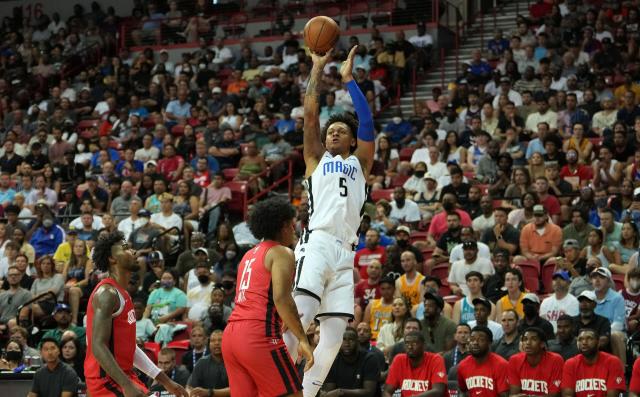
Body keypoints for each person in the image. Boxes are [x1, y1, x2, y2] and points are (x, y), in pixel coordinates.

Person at [284, 45, 375, 397]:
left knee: (334, 335)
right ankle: (275, 388)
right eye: (331, 131)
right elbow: (310, 116)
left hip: (345, 251)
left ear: (352, 140)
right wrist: (317, 69)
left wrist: (349, 81)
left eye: (341, 131)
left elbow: (366, 122)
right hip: (317, 243)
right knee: (300, 318)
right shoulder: (315, 161)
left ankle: (305, 394)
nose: (333, 133)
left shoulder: (361, 164)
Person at [221, 198, 313, 397]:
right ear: (283, 227)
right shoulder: (281, 252)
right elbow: (281, 298)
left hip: (231, 337)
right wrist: (303, 339)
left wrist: (282, 317)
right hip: (257, 335)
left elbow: (258, 295)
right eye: (291, 225)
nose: (294, 230)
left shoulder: (248, 255)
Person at [84, 231, 188, 397]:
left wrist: (165, 381)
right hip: (105, 381)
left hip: (124, 376)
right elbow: (97, 346)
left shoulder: (124, 294)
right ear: (112, 258)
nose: (133, 251)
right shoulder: (107, 293)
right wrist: (126, 385)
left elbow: (130, 348)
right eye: (125, 248)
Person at [560, 328, 625, 397]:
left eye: (589, 338)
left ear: (598, 343)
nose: (584, 342)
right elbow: (567, 395)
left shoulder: (613, 362)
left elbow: (612, 396)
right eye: (580, 339)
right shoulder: (570, 364)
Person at [382, 331, 447, 397]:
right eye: (407, 343)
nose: (410, 347)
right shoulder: (399, 360)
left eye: (414, 343)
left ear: (424, 346)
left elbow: (438, 391)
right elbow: (387, 391)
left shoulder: (436, 360)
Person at [508, 327, 564, 397]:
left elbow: (555, 395)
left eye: (534, 339)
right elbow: (514, 394)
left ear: (542, 344)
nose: (528, 343)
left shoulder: (556, 360)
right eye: (525, 339)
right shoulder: (514, 360)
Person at [323, 327, 380, 396]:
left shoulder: (369, 359)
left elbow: (369, 392)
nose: (347, 344)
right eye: (343, 340)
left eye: (351, 340)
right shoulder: (332, 361)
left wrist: (342, 392)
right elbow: (329, 393)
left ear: (357, 341)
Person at [457, 326, 509, 397]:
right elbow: (463, 391)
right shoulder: (462, 365)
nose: (475, 343)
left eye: (481, 340)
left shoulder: (501, 365)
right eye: (472, 339)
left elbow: (504, 395)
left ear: (490, 343)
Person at [186, 330, 230, 397]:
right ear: (208, 344)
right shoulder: (201, 362)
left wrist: (209, 392)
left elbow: (236, 389)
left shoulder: (233, 362)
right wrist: (191, 393)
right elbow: (189, 387)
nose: (216, 343)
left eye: (220, 340)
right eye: (213, 341)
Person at [363, 276, 395, 340]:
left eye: (389, 288)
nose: (386, 291)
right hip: (372, 339)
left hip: (389, 339)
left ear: (394, 289)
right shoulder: (371, 304)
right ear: (379, 289)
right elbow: (365, 326)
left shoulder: (397, 305)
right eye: (383, 289)